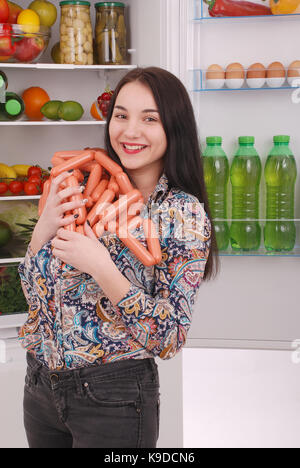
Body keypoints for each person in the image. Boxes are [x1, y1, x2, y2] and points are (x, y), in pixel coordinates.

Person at [18, 66, 219, 449]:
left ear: (173, 128)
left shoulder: (181, 213)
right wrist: (41, 234)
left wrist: (100, 266)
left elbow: (170, 338)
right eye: (121, 115)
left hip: (114, 397)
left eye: (150, 119)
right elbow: (35, 297)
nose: (130, 131)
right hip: (41, 385)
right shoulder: (82, 186)